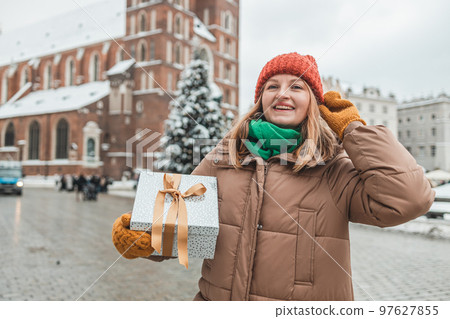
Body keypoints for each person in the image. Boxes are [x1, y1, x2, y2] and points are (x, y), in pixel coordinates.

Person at [111, 52, 435, 301]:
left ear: (315, 103)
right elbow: (182, 225)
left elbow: (410, 198)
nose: (283, 94)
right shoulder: (226, 155)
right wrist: (145, 237)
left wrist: (352, 128)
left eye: (297, 87)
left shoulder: (335, 166)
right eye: (272, 86)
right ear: (260, 100)